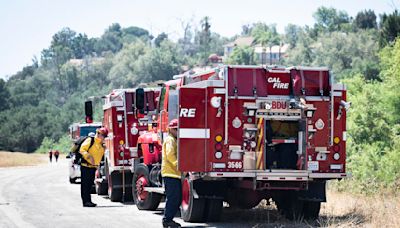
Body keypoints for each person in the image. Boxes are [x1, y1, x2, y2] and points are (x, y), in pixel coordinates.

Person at [79, 127, 108, 207]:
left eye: (105, 136)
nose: (104, 138)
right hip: (86, 166)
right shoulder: (90, 140)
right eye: (103, 136)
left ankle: (88, 201)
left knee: (89, 185)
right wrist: (89, 156)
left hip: (93, 167)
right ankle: (86, 202)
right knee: (85, 185)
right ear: (98, 134)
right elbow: (82, 150)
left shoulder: (101, 144)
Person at [161, 119, 182, 228]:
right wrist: (179, 165)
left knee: (176, 198)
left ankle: (169, 219)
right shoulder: (170, 140)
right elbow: (170, 155)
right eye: (175, 129)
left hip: (174, 173)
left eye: (178, 129)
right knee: (173, 197)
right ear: (170, 129)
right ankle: (167, 220)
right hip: (170, 173)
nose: (177, 131)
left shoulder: (174, 139)